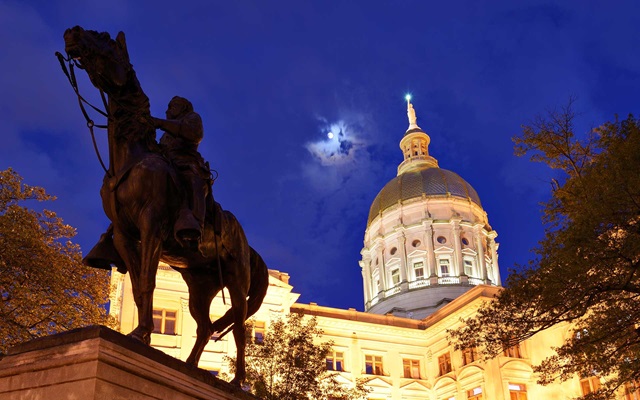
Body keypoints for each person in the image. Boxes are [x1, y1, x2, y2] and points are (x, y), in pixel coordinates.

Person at [153, 96, 210, 248]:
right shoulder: (166, 134)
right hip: (167, 164)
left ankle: (197, 229)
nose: (167, 110)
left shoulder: (192, 118)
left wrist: (159, 123)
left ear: (183, 108)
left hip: (187, 163)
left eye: (172, 106)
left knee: (195, 183)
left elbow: (192, 133)